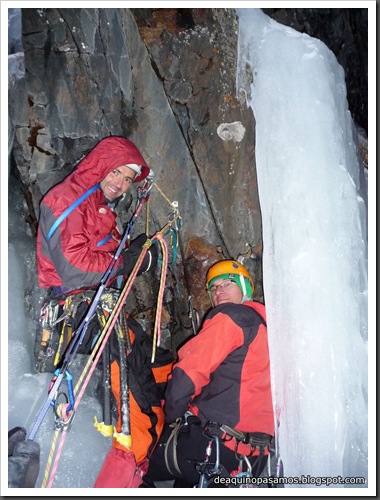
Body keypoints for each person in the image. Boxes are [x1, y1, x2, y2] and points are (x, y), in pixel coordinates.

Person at [140, 259, 275, 488]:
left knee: (138, 459)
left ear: (245, 289)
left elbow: (187, 376)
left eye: (227, 283)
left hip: (213, 446)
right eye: (214, 287)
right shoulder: (268, 329)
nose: (218, 291)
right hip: (255, 458)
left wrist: (169, 418)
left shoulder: (232, 316)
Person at [34, 136, 158, 373]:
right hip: (73, 312)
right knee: (130, 375)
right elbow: (75, 267)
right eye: (115, 172)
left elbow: (95, 249)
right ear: (101, 165)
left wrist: (131, 250)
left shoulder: (94, 203)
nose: (119, 183)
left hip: (91, 306)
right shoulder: (68, 199)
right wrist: (127, 261)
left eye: (127, 179)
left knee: (147, 359)